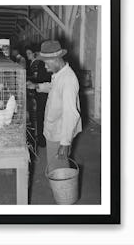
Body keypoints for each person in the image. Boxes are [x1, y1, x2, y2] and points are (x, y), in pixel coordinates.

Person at [27, 40, 82, 172]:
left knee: (58, 169)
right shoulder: (59, 74)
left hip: (59, 132)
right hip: (54, 129)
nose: (45, 67)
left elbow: (71, 114)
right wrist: (37, 86)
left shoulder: (68, 79)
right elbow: (54, 87)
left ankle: (63, 192)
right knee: (54, 166)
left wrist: (65, 143)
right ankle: (60, 190)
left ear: (56, 59)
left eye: (46, 63)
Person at [25, 45, 51, 147]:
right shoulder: (41, 63)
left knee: (41, 116)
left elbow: (41, 79)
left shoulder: (42, 64)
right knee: (43, 116)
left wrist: (34, 84)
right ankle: (42, 138)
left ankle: (42, 140)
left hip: (43, 94)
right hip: (43, 92)